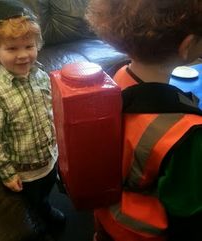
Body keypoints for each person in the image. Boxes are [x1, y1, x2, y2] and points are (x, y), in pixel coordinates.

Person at [86, 0, 202, 241]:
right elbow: (187, 209)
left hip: (107, 213)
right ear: (188, 45)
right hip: (142, 232)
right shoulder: (188, 132)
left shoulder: (118, 75)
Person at [0, 0, 65, 238]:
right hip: (24, 171)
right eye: (12, 49)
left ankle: (46, 206)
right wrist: (7, 172)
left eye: (29, 46)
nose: (23, 55)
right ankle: (39, 218)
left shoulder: (41, 76)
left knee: (47, 189)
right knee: (32, 201)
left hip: (48, 157)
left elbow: (50, 110)